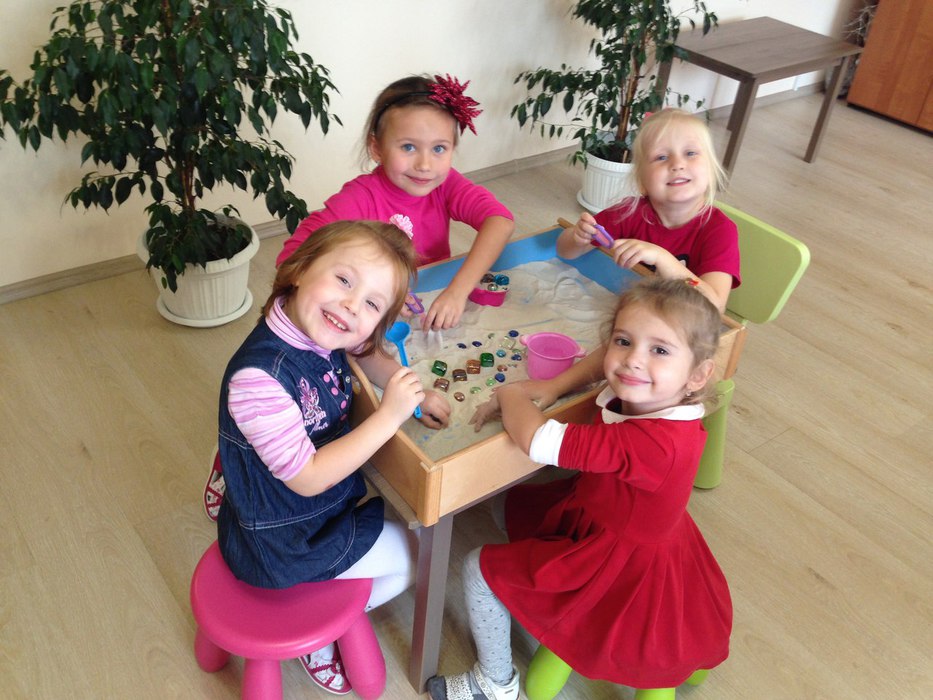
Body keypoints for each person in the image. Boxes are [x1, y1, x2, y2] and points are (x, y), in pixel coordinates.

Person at [428, 278, 733, 700]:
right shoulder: (662, 399)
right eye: (623, 341)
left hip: (616, 558)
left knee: (478, 569)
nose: (633, 361)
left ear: (698, 375)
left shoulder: (651, 444)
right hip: (613, 520)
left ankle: (494, 682)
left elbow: (537, 440)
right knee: (511, 506)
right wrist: (553, 387)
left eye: (660, 350)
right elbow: (602, 367)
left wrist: (510, 392)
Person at [217, 220, 450, 695]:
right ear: (300, 269)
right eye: (344, 280)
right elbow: (307, 478)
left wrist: (413, 392)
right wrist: (388, 417)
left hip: (298, 511)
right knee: (415, 559)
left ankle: (321, 598)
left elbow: (363, 352)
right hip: (284, 540)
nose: (351, 305)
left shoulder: (308, 322)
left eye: (371, 304)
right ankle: (320, 631)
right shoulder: (258, 379)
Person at [277, 73, 515, 331]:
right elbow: (291, 259)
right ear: (376, 148)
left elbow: (500, 222)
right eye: (408, 147)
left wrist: (458, 291)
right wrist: (373, 292)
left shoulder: (446, 183)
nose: (425, 165)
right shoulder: (359, 198)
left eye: (439, 149)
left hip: (428, 295)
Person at [557, 108, 739, 313]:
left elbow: (714, 306)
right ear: (642, 182)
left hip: (686, 321)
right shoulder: (628, 213)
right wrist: (577, 238)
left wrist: (662, 258)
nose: (677, 164)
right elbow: (565, 251)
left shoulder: (720, 231)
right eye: (661, 157)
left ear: (711, 171)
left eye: (690, 153)